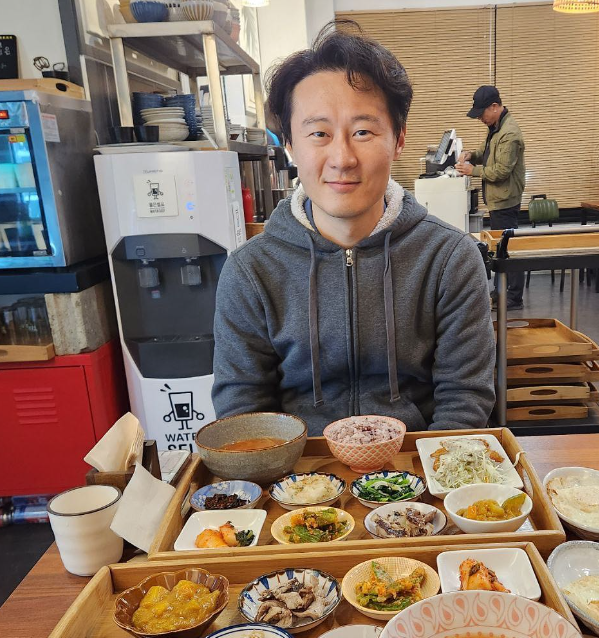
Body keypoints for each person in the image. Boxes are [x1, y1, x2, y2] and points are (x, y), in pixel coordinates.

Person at [212, 22, 495, 436]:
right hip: (296, 469)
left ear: (398, 139)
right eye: (319, 133)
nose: (342, 158)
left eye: (363, 132)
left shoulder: (449, 259)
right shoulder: (250, 272)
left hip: (417, 463)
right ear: (289, 144)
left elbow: (465, 399)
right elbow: (243, 414)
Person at [456, 85, 526, 310]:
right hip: (498, 200)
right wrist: (471, 155)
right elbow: (486, 154)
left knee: (508, 250)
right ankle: (501, 291)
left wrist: (472, 170)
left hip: (505, 201)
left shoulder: (509, 133)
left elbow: (501, 171)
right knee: (501, 248)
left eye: (481, 113)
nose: (480, 119)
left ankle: (513, 297)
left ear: (494, 107)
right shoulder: (496, 127)